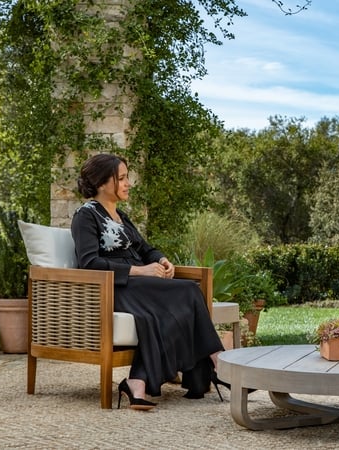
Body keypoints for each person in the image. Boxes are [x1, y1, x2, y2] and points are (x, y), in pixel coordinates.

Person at [71, 153, 228, 411]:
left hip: (139, 286)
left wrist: (163, 260)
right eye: (121, 178)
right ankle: (218, 364)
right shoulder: (86, 216)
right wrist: (141, 271)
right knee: (188, 290)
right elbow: (89, 263)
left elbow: (146, 249)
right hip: (115, 288)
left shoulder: (122, 216)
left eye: (126, 177)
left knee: (167, 310)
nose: (128, 183)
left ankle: (137, 381)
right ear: (101, 183)